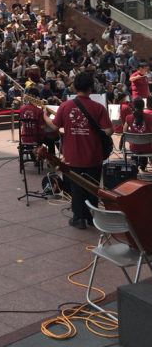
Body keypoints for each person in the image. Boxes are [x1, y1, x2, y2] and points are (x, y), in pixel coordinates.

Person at [44, 72, 113, 230]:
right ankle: (92, 218)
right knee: (93, 187)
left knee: (76, 188)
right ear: (91, 88)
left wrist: (45, 116)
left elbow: (54, 127)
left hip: (72, 155)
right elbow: (109, 131)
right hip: (93, 155)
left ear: (74, 87)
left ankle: (78, 219)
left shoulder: (65, 106)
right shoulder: (98, 107)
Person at [123, 97, 152, 170]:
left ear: (133, 106)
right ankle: (143, 166)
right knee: (145, 145)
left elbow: (124, 131)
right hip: (148, 147)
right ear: (143, 106)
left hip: (134, 147)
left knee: (137, 146)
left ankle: (134, 168)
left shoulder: (129, 117)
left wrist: (133, 133)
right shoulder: (150, 117)